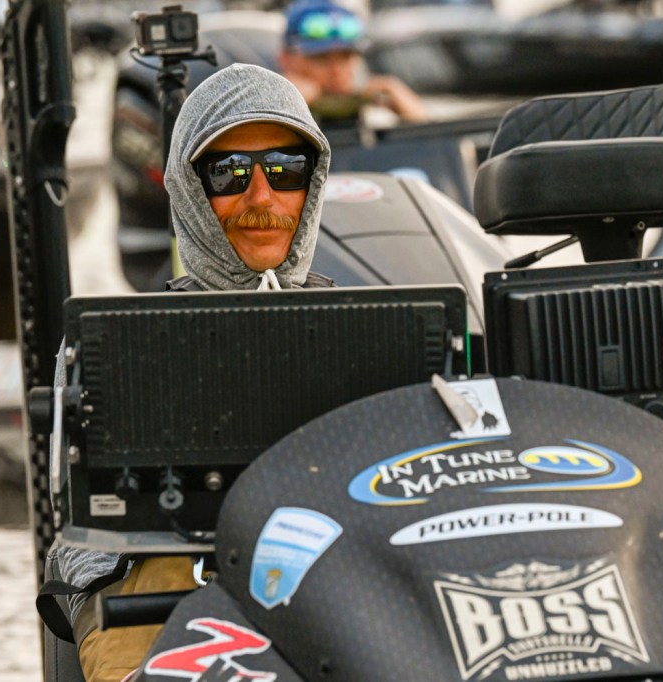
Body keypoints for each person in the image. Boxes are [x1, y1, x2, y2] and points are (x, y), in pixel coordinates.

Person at [41, 63, 333, 682]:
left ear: (313, 182)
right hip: (159, 575)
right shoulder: (110, 347)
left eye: (286, 170)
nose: (262, 197)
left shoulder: (377, 332)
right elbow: (83, 532)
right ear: (189, 188)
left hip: (343, 567)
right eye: (229, 174)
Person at [278, 0, 429, 127]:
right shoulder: (271, 105)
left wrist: (394, 91)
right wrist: (288, 103)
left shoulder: (373, 107)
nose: (336, 70)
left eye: (346, 57)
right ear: (286, 59)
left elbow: (431, 141)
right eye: (321, 58)